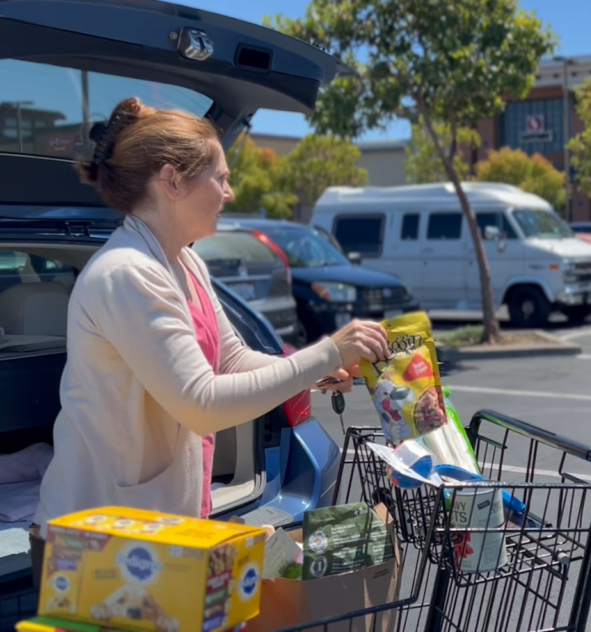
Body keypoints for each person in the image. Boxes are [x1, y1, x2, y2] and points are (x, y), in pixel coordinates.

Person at [30, 98, 390, 582]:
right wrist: (326, 351)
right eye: (219, 177)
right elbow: (201, 402)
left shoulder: (184, 261)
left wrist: (320, 370)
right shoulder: (127, 273)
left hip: (153, 533)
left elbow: (232, 358)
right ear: (172, 181)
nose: (229, 190)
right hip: (95, 540)